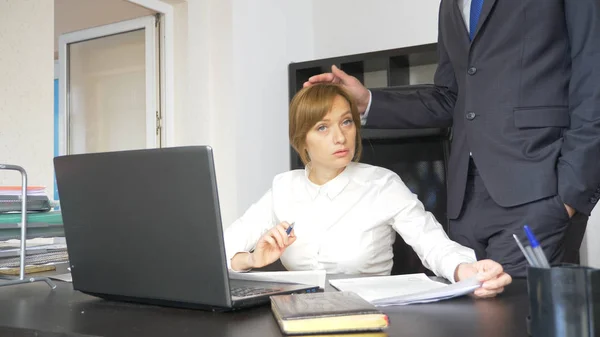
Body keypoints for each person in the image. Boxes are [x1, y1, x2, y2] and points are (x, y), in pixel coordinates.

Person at [303, 1, 600, 277]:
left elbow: (593, 77)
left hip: (537, 194)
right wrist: (367, 101)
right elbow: (450, 98)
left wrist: (570, 195)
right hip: (463, 205)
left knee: (526, 323)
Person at [224, 84, 511, 298]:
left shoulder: (383, 184)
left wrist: (466, 272)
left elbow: (433, 244)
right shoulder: (283, 187)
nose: (340, 136)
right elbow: (221, 250)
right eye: (323, 127)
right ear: (302, 140)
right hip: (300, 318)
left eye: (346, 122)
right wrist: (251, 260)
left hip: (373, 316)